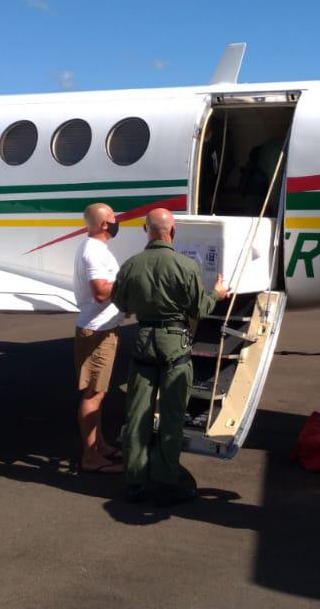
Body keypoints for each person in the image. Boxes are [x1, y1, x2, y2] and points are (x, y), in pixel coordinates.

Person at [111, 208, 228, 506]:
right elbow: (199, 310)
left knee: (138, 414)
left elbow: (120, 302)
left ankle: (135, 480)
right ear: (172, 231)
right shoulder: (185, 266)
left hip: (142, 343)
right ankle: (165, 479)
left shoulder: (131, 265)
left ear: (145, 231)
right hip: (174, 344)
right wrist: (217, 293)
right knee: (172, 418)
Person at [72, 203, 124, 474]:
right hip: (97, 331)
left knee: (99, 393)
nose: (117, 223)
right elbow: (101, 292)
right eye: (114, 219)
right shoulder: (93, 252)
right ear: (105, 224)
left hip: (103, 329)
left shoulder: (95, 248)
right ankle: (90, 457)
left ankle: (100, 445)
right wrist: (129, 283)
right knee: (92, 395)